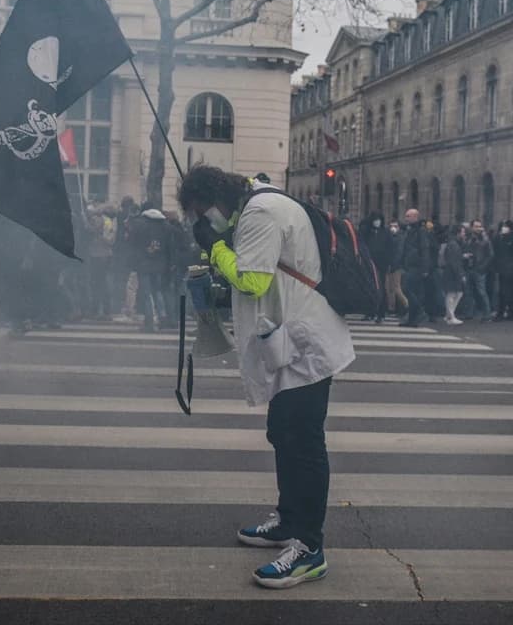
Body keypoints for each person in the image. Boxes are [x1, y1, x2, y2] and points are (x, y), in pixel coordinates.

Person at [179, 166, 354, 589]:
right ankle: (289, 521)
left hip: (304, 347)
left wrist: (218, 248)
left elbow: (252, 280)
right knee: (284, 433)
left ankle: (309, 549)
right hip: (291, 343)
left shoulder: (259, 213)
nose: (205, 222)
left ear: (216, 199)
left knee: (303, 442)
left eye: (203, 213)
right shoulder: (258, 205)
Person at [397, 209, 431, 327]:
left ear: (415, 217)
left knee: (407, 289)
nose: (406, 218)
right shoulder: (410, 230)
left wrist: (425, 268)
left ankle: (420, 311)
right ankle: (412, 319)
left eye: (408, 216)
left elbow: (425, 249)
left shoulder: (420, 231)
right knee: (412, 291)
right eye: (406, 216)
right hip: (409, 265)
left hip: (417, 266)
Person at [360, 212, 391, 323]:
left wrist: (388, 263)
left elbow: (390, 248)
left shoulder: (386, 233)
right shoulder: (367, 233)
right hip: (369, 264)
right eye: (375, 219)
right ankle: (369, 312)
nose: (377, 222)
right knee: (368, 288)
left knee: (381, 288)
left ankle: (381, 313)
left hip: (381, 265)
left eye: (379, 219)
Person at [492, 220, 513, 321]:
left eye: (505, 226)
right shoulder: (500, 238)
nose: (503, 228)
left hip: (510, 270)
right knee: (505, 292)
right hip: (502, 269)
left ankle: (502, 313)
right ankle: (511, 313)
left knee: (505, 292)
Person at [466, 220, 494, 322]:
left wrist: (482, 267)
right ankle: (469, 312)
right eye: (476, 226)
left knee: (481, 292)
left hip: (479, 268)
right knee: (469, 292)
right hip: (469, 267)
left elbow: (490, 255)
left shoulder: (485, 239)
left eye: (479, 226)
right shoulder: (468, 237)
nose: (478, 228)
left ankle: (487, 314)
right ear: (472, 227)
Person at [441, 225, 467, 325]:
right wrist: (461, 275)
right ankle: (450, 316)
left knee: (455, 293)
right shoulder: (454, 245)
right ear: (458, 233)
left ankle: (449, 315)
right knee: (453, 294)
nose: (464, 234)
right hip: (452, 273)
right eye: (463, 232)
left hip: (451, 271)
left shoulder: (452, 243)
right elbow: (454, 262)